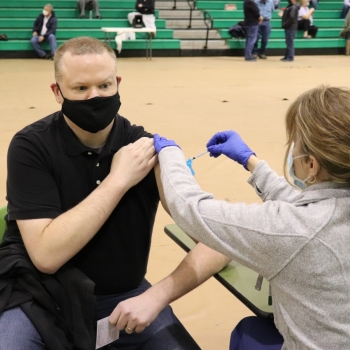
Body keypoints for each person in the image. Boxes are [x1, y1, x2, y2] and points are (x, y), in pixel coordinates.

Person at [0, 36, 231, 350]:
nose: (95, 97)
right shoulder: (31, 146)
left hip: (122, 298)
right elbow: (46, 257)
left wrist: (155, 297)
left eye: (105, 86)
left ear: (118, 83)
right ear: (57, 92)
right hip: (37, 295)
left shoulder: (147, 150)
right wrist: (118, 179)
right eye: (81, 88)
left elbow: (219, 243)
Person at [153, 84, 350, 350]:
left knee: (247, 337)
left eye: (297, 144)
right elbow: (311, 208)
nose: (293, 151)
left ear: (312, 165)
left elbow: (192, 210)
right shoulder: (328, 209)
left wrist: (170, 155)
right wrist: (251, 162)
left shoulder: (293, 229)